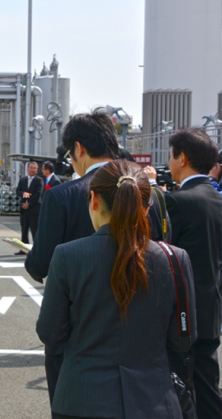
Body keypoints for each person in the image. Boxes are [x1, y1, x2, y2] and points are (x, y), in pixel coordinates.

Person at [36, 159, 196, 419]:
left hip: (82, 398)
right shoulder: (174, 258)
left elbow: (50, 333)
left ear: (94, 200)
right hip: (153, 399)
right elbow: (183, 339)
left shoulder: (67, 256)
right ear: (146, 208)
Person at [25, 108, 119, 412]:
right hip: (138, 338)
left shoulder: (63, 195)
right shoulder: (149, 194)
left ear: (78, 148)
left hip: (76, 334)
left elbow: (40, 264)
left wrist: (33, 255)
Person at [165, 128, 222, 418]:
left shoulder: (177, 201)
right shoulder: (216, 199)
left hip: (183, 314)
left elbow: (163, 255)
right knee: (208, 387)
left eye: (171, 155)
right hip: (211, 309)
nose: (169, 162)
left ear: (182, 158)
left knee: (181, 390)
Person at [15, 161, 44, 254]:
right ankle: (24, 249)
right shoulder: (23, 180)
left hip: (34, 209)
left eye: (35, 168)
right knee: (24, 230)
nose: (33, 170)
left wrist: (29, 204)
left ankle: (36, 250)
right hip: (23, 209)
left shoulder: (39, 180)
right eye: (31, 168)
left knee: (34, 230)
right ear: (27, 169)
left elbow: (38, 194)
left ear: (37, 170)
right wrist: (23, 193)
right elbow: (17, 191)